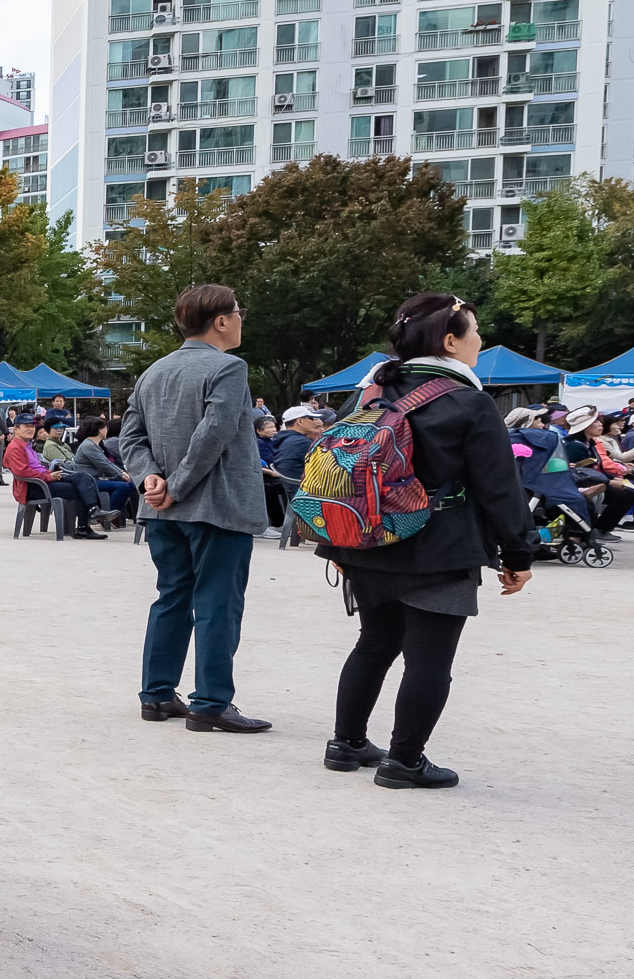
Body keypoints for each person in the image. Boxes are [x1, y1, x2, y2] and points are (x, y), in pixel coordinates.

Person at [314, 294, 534, 789]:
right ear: (450, 341)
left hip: (364, 539)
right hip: (440, 546)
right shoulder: (470, 401)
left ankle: (345, 744)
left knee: (374, 643)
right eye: (474, 331)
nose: (481, 340)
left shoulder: (370, 393)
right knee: (429, 659)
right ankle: (404, 761)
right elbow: (498, 487)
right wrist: (518, 553)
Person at [122, 285, 270, 732]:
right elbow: (214, 433)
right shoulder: (229, 367)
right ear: (221, 321)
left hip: (161, 510)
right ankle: (210, 702)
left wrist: (150, 478)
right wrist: (179, 486)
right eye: (238, 312)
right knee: (217, 603)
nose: (242, 319)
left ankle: (157, 694)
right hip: (214, 505)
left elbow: (131, 436)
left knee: (171, 597)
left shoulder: (154, 371)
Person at [7, 418, 103, 537]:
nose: (31, 429)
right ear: (16, 429)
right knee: (79, 488)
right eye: (26, 426)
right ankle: (85, 525)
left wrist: (50, 473)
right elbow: (22, 472)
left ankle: (94, 510)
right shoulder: (15, 448)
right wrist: (47, 476)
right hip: (33, 487)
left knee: (83, 477)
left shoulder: (27, 445)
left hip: (43, 480)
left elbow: (37, 467)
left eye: (32, 426)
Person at [76, 420, 136, 522]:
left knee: (130, 484)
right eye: (105, 428)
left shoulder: (94, 445)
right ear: (100, 430)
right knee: (123, 486)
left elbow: (106, 462)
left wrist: (120, 473)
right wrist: (120, 473)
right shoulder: (88, 446)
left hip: (96, 478)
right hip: (89, 481)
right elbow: (103, 464)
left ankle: (112, 515)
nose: (107, 430)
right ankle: (107, 514)